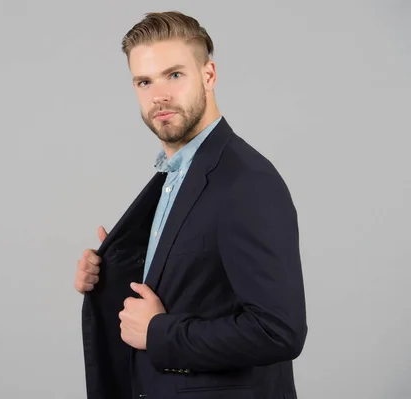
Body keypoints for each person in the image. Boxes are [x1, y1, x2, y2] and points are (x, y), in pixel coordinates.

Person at [75, 11, 307, 399]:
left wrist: (159, 333)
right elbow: (194, 281)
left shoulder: (248, 181)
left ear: (209, 75)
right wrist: (110, 272)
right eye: (144, 82)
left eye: (175, 75)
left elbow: (279, 331)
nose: (158, 95)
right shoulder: (178, 176)